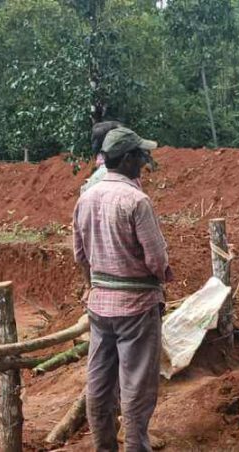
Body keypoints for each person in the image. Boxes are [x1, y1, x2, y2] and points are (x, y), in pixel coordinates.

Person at [73, 127, 173, 451]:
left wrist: (93, 285)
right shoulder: (136, 200)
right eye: (141, 155)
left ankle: (104, 446)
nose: (145, 161)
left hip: (100, 305)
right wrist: (162, 277)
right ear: (128, 159)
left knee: (99, 383)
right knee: (136, 388)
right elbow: (156, 258)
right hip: (137, 307)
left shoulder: (85, 197)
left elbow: (79, 254)